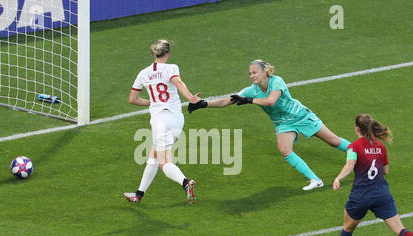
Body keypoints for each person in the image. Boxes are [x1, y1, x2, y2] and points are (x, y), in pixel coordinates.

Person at [188, 59, 351, 190]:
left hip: (300, 116)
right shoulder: (251, 90)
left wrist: (250, 100)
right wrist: (203, 104)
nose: (252, 76)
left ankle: (367, 155)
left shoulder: (276, 81)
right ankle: (316, 180)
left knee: (333, 141)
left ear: (265, 72)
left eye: (254, 72)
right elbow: (227, 100)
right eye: (250, 73)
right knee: (284, 150)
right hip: (283, 123)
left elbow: (271, 101)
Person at [325, 114, 413, 236]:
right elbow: (385, 171)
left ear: (357, 128)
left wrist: (338, 178)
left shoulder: (354, 147)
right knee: (400, 230)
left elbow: (350, 165)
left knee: (348, 228)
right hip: (382, 195)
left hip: (361, 196)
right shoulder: (381, 147)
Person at [123, 39, 200, 204]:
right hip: (177, 119)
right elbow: (178, 82)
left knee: (164, 162)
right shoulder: (172, 68)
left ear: (154, 53)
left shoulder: (143, 73)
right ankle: (139, 194)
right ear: (167, 54)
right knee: (153, 156)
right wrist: (191, 98)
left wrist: (150, 102)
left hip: (160, 121)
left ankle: (186, 183)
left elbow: (132, 99)